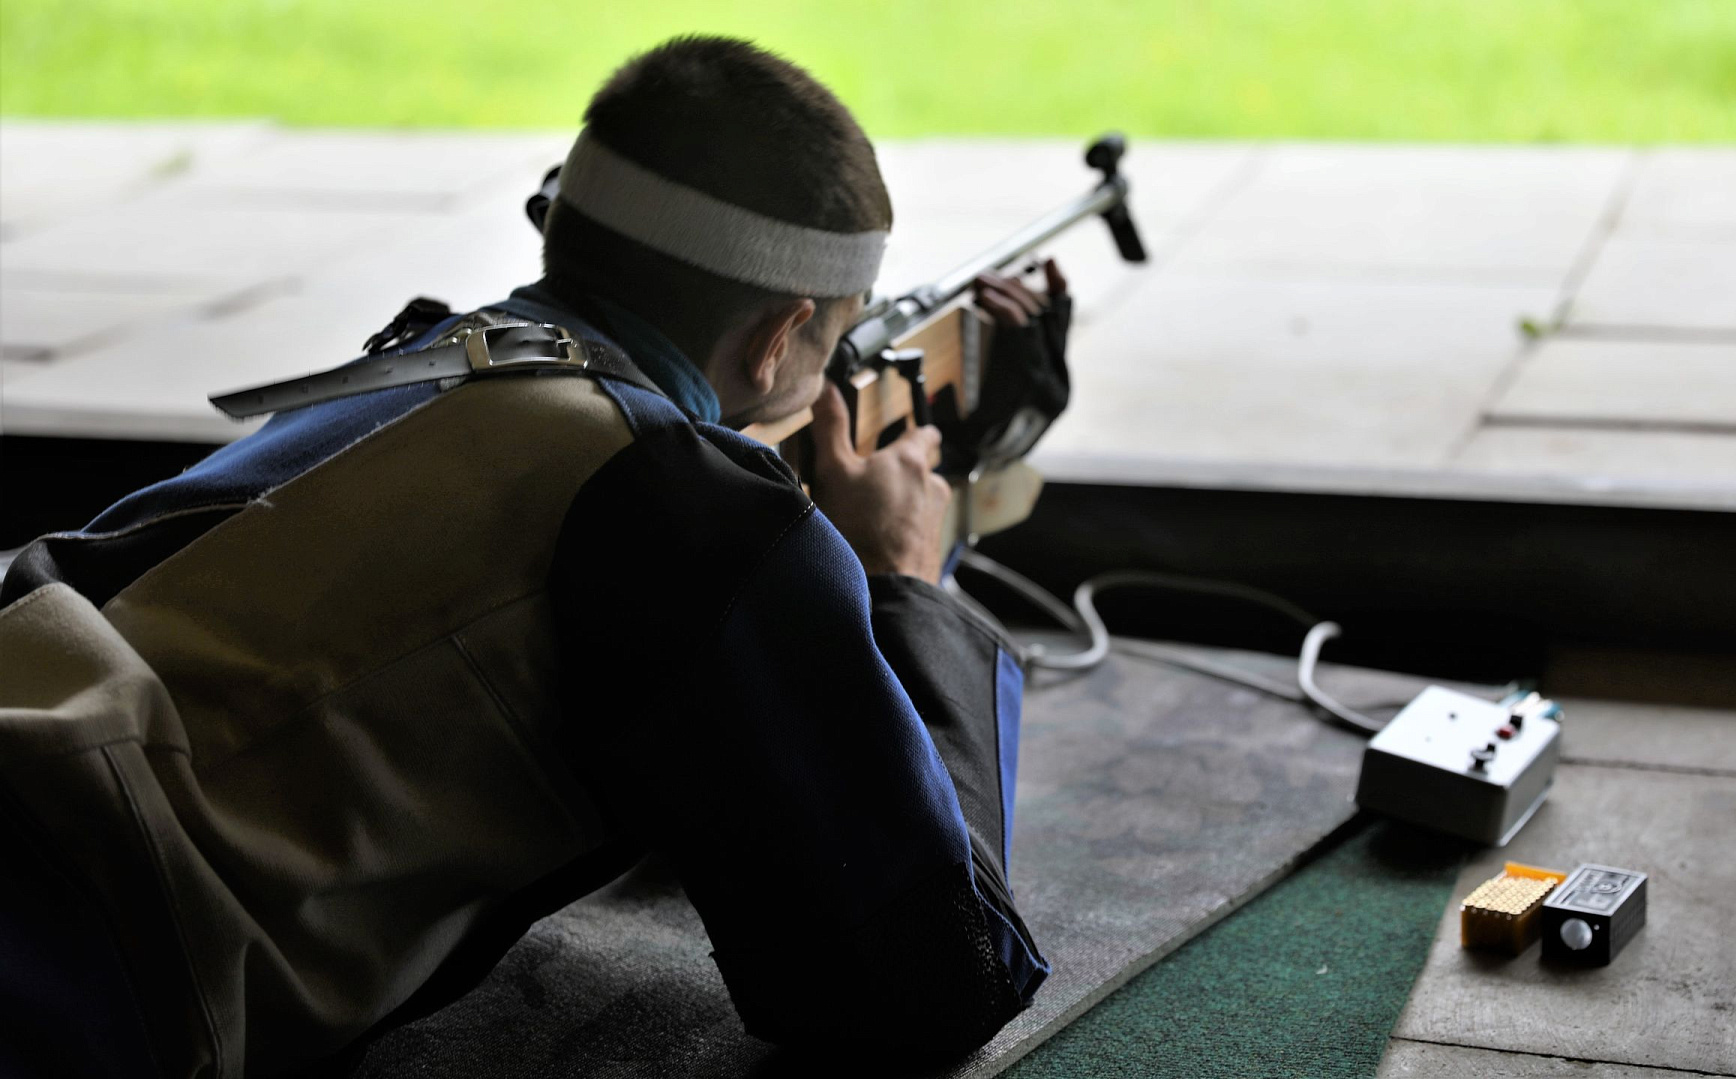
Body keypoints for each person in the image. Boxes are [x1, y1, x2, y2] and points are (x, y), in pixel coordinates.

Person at [0, 36, 1071, 1078]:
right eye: (830, 343)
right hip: (63, 964)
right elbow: (934, 980)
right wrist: (903, 579)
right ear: (775, 339)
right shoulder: (676, 498)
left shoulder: (429, 361)